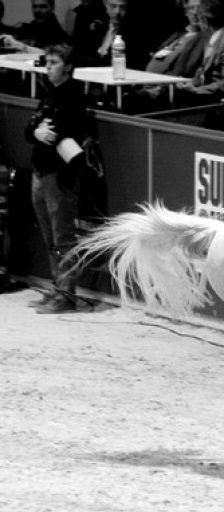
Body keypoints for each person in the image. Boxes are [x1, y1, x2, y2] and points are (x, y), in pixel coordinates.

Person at [25, 43, 92, 313]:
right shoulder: (49, 94)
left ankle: (66, 294)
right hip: (41, 172)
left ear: (69, 68)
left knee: (62, 237)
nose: (48, 67)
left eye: (54, 62)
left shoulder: (74, 96)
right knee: (49, 235)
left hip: (59, 177)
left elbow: (62, 130)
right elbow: (30, 130)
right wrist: (36, 130)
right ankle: (56, 288)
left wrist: (40, 129)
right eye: (48, 62)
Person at [174, 0, 224, 107]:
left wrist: (196, 90)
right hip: (209, 94)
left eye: (200, 19)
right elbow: (203, 73)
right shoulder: (215, 37)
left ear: (204, 21)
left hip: (221, 101)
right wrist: (192, 83)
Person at [70, 0, 108, 66]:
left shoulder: (101, 12)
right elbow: (75, 38)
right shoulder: (80, 11)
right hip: (78, 57)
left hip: (95, 59)